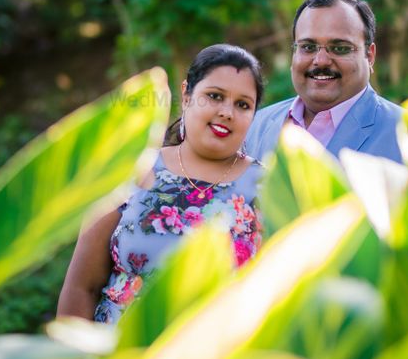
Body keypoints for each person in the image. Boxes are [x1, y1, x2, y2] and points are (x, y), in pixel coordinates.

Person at [57, 44, 266, 323]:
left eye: (243, 104)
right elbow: (82, 287)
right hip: (116, 358)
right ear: (187, 95)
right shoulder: (131, 171)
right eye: (214, 96)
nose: (227, 112)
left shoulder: (267, 186)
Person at [244, 0, 404, 164]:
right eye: (308, 47)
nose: (321, 61)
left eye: (340, 48)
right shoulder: (253, 127)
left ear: (370, 55)